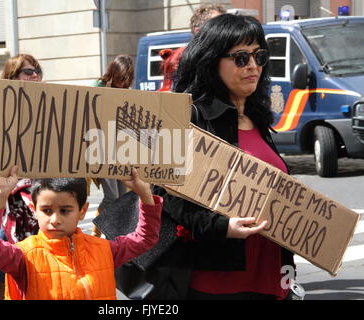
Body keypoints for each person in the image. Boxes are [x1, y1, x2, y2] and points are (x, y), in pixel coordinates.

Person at [153, 13, 296, 300]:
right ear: (211, 62)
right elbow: (165, 195)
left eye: (260, 56)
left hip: (272, 276)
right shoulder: (191, 117)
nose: (253, 66)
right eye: (241, 58)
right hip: (217, 279)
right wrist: (222, 227)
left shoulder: (259, 118)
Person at [0, 166, 163, 300]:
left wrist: (145, 195)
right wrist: (0, 196)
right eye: (47, 210)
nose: (55, 219)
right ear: (34, 209)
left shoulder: (104, 250)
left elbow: (145, 238)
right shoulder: (24, 256)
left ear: (82, 211)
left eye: (65, 210)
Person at [0, 53, 43, 300]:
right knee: (11, 260)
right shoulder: (1, 114)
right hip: (15, 200)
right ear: (12, 77)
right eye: (28, 72)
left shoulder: (50, 109)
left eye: (37, 70)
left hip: (44, 199)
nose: (35, 75)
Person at [91, 54, 135, 237]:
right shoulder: (98, 87)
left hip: (120, 150)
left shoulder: (127, 91)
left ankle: (111, 234)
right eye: (121, 77)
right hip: (100, 149)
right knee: (112, 197)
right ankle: (97, 232)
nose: (124, 82)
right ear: (113, 72)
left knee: (122, 197)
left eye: (127, 78)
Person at [158, 3, 226, 92]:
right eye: (217, 25)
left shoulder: (229, 55)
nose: (225, 30)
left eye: (225, 24)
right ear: (198, 31)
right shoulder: (181, 60)